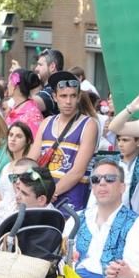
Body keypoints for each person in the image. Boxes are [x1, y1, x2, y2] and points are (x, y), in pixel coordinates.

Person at [28, 71, 98, 211]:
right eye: (63, 96)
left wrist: (51, 193)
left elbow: (78, 171)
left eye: (73, 96)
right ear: (54, 97)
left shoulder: (89, 125)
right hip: (44, 197)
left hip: (71, 199)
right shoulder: (46, 122)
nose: (68, 101)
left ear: (78, 97)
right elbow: (31, 161)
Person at [70, 159, 138, 278]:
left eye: (110, 178)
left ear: (122, 187)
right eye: (96, 179)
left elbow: (135, 271)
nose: (102, 183)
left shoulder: (136, 224)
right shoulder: (77, 218)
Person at [0, 123, 33, 217]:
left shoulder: (28, 166)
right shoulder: (6, 167)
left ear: (28, 141)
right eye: (10, 135)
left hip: (17, 215)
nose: (13, 139)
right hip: (1, 214)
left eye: (18, 136)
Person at [5, 69, 44, 136]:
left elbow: (34, 141)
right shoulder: (14, 107)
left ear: (15, 86)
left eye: (9, 82)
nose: (7, 85)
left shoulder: (33, 113)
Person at [32, 49, 64, 116]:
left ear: (52, 67)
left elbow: (29, 105)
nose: (36, 69)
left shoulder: (54, 89)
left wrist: (19, 78)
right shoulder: (54, 86)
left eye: (40, 65)